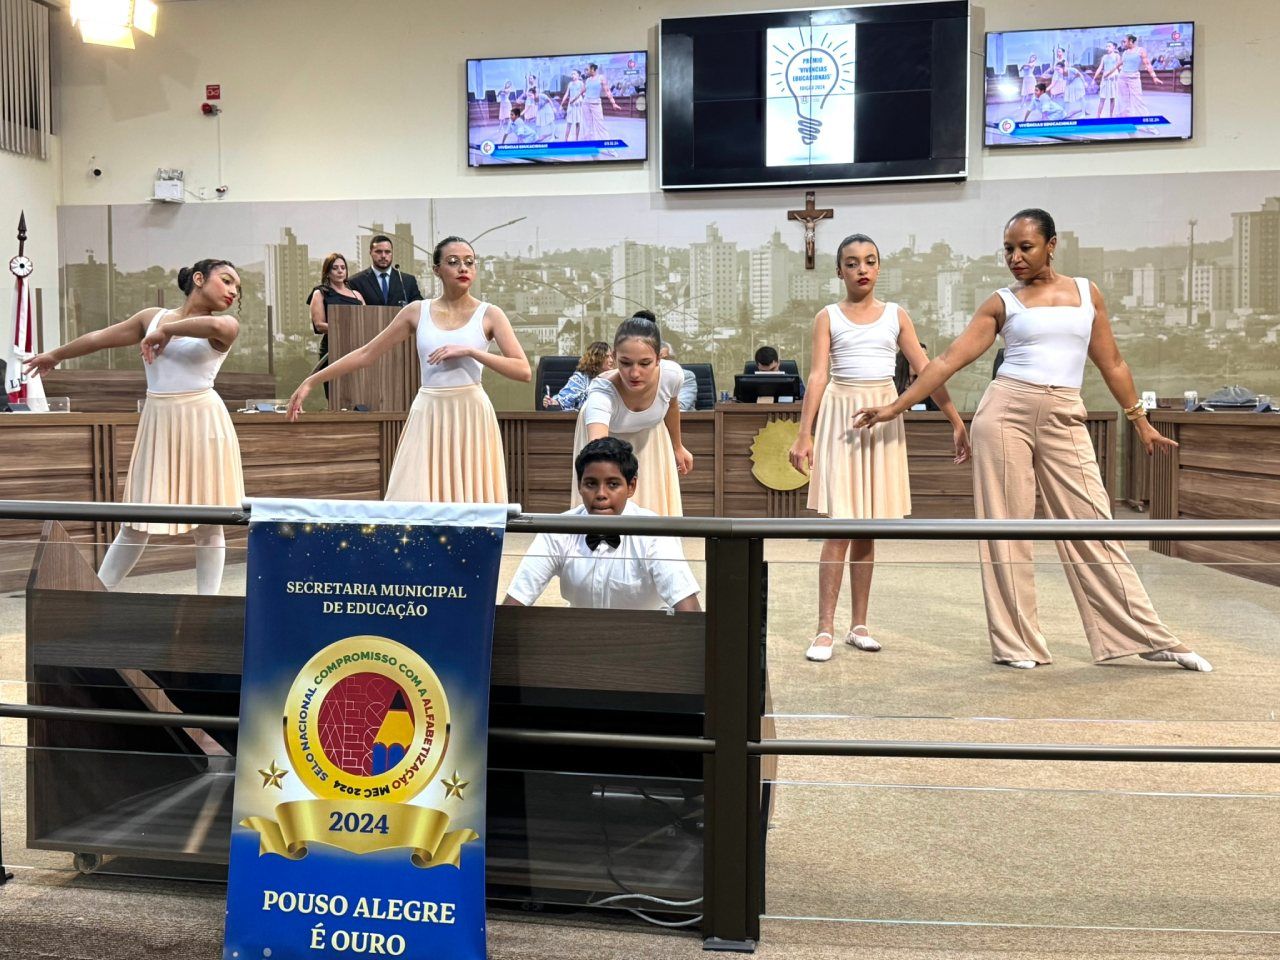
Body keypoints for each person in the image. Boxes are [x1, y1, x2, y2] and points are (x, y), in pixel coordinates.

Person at [852, 208, 1211, 673]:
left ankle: (1144, 635)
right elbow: (945, 361)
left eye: (1026, 247)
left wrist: (1140, 420)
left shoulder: (1086, 293)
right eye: (1008, 249)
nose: (1015, 257)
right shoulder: (1002, 302)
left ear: (1051, 245)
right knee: (1006, 530)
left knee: (1093, 525)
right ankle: (1016, 642)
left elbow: (1114, 363)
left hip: (1065, 413)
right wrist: (895, 407)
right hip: (1005, 412)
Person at [789, 234, 970, 662]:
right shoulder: (827, 316)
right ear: (839, 271)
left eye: (869, 261)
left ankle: (859, 626)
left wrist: (956, 419)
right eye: (852, 263)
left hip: (884, 415)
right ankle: (824, 629)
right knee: (839, 526)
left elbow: (927, 371)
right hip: (842, 417)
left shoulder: (896, 315)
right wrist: (804, 433)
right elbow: (818, 376)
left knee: (866, 527)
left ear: (879, 267)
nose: (862, 269)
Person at [24, 259, 245, 595]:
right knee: (136, 520)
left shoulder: (224, 326)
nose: (232, 291)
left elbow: (217, 325)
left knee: (209, 524)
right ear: (199, 279)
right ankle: (96, 598)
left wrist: (167, 331)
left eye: (237, 288)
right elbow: (100, 338)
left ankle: (207, 607)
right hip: (158, 421)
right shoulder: (151, 317)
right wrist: (56, 354)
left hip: (204, 422)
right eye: (227, 281)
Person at [288, 237, 530, 503]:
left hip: (471, 413)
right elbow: (367, 353)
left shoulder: (490, 314)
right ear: (437, 270)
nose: (463, 268)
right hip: (429, 411)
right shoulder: (417, 311)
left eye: (469, 262)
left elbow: (523, 370)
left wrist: (471, 351)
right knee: (413, 496)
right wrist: (312, 380)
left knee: (470, 497)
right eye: (453, 262)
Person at [504, 437, 701, 611]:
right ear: (579, 486)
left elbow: (690, 610)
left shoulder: (654, 535)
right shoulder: (558, 530)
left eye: (613, 484)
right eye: (591, 484)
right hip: (580, 634)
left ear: (631, 486)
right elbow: (514, 603)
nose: (601, 494)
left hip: (647, 634)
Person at [571, 310, 691, 516]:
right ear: (614, 357)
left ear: (658, 358)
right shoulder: (601, 394)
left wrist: (678, 447)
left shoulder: (673, 375)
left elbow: (671, 406)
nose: (634, 373)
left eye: (645, 363)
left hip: (651, 437)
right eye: (625, 363)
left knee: (654, 505)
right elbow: (598, 453)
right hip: (607, 440)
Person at [307, 252, 365, 400]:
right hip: (332, 349)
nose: (340, 271)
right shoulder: (320, 293)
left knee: (360, 393)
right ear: (327, 272)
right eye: (335, 268)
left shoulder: (357, 295)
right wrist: (345, 329)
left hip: (356, 348)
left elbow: (366, 320)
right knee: (336, 396)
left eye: (343, 268)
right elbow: (319, 325)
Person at [349, 235, 424, 308]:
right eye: (378, 252)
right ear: (370, 253)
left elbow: (419, 307)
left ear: (392, 253)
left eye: (387, 252)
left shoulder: (407, 281)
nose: (383, 256)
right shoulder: (356, 282)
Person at [544, 340, 612, 411]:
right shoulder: (581, 378)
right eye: (607, 356)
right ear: (596, 358)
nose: (611, 360)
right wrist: (554, 402)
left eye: (611, 356)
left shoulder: (613, 377)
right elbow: (564, 398)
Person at [1116, 33, 1162, 118]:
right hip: (1122, 77)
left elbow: (1147, 64)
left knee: (1138, 100)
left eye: (1125, 41)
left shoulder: (1140, 50)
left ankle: (1145, 122)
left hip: (1134, 77)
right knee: (1123, 100)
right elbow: (1119, 64)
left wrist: (1154, 77)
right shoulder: (1125, 52)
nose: (1123, 43)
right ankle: (1124, 119)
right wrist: (1109, 72)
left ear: (1130, 41)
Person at [581, 62, 619, 144]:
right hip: (586, 104)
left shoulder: (601, 78)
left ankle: (608, 145)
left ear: (592, 69)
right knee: (587, 125)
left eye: (587, 69)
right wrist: (573, 99)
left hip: (596, 104)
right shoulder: (587, 80)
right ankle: (589, 143)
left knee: (600, 125)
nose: (586, 71)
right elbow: (582, 91)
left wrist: (613, 103)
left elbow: (607, 91)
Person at [660, 341, 699, 412]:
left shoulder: (686, 376)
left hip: (685, 418)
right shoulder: (646, 378)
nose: (660, 363)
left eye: (664, 359)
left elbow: (681, 406)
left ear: (672, 359)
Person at [1093, 42, 1122, 118]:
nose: (1107, 48)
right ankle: (1098, 116)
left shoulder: (1117, 56)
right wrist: (1094, 78)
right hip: (1105, 78)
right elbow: (1100, 67)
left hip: (1113, 78)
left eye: (1109, 46)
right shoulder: (1104, 57)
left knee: (1112, 97)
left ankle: (1111, 116)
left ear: (1114, 47)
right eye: (1106, 46)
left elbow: (1119, 67)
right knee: (1102, 98)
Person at [562, 69, 585, 141]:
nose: (572, 75)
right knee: (569, 122)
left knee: (578, 122)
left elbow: (583, 93)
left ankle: (576, 139)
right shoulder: (570, 84)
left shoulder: (581, 83)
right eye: (572, 74)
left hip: (578, 104)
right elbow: (567, 93)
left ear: (578, 75)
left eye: (574, 74)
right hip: (571, 104)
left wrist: (581, 100)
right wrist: (562, 102)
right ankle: (566, 140)